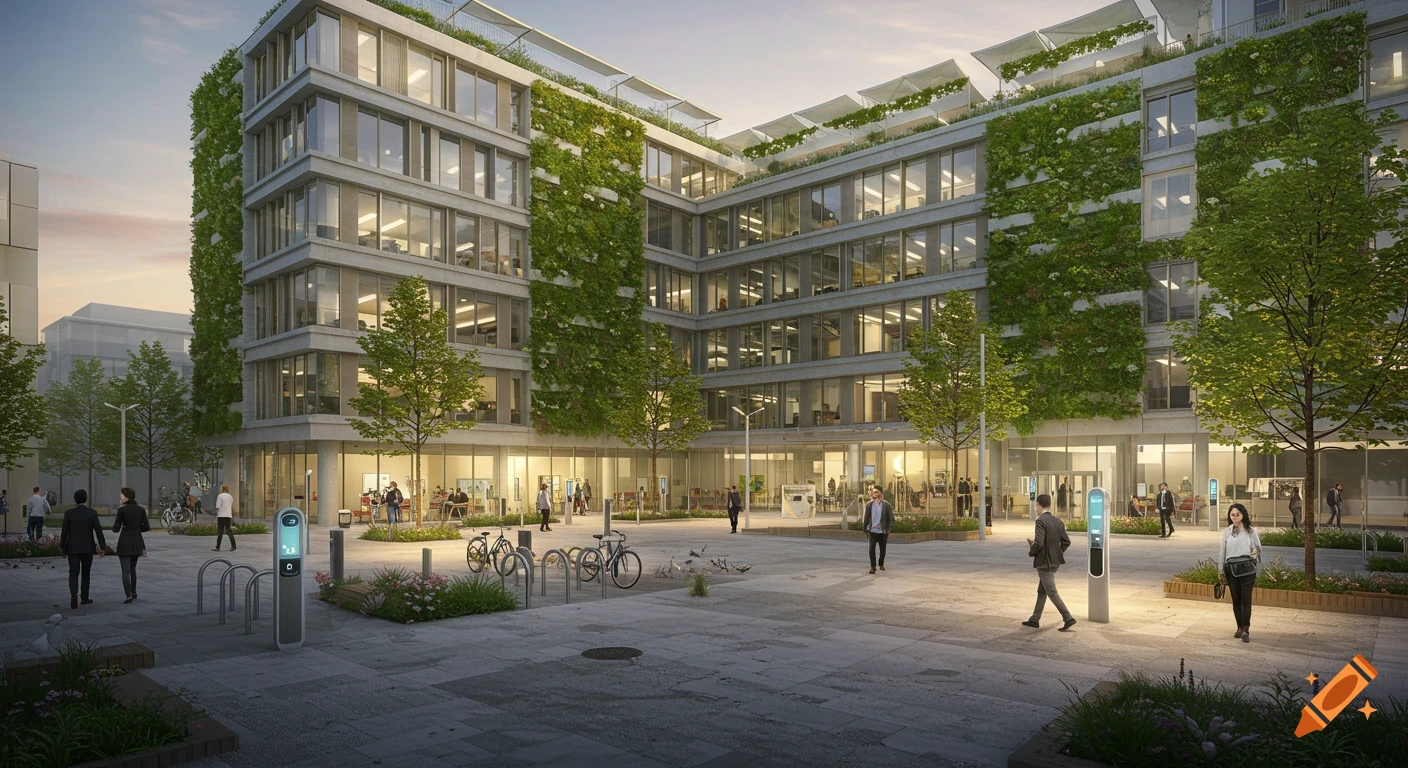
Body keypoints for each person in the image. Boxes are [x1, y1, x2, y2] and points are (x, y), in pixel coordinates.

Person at [1023, 493, 1075, 631]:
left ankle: (1068, 617)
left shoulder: (1040, 521)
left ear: (1039, 505)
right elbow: (1066, 542)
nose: (1036, 508)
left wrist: (1032, 550)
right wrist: (1057, 553)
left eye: (1036, 505)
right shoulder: (1058, 521)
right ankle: (1034, 619)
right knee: (1042, 590)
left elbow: (1039, 543)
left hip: (1044, 562)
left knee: (1051, 591)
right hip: (1054, 561)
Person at [1218, 503, 1262, 643]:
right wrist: (1220, 571)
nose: (1235, 517)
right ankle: (1239, 627)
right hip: (1231, 570)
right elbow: (1222, 552)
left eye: (1237, 514)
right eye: (1232, 514)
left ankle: (1246, 629)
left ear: (1243, 515)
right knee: (1236, 599)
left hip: (1247, 569)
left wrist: (1255, 557)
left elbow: (1258, 549)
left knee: (1246, 599)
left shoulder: (1250, 531)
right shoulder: (1226, 532)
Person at [59, 489, 106, 610]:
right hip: (87, 547)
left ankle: (73, 595)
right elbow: (98, 530)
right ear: (86, 499)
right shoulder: (92, 513)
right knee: (86, 573)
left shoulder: (69, 513)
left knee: (73, 572)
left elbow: (64, 532)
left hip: (72, 548)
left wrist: (63, 547)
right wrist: (102, 546)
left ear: (75, 499)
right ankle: (84, 598)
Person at [111, 487, 148, 603]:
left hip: (124, 542)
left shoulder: (121, 510)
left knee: (125, 571)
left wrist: (123, 526)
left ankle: (128, 595)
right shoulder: (141, 509)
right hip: (137, 541)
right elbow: (146, 527)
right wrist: (136, 528)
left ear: (125, 496)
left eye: (121, 495)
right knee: (133, 569)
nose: (120, 497)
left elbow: (116, 529)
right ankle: (134, 591)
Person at [862, 486, 893, 574]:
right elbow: (866, 518)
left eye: (876, 492)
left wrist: (889, 529)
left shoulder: (886, 505)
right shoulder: (869, 505)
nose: (874, 494)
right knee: (871, 548)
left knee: (882, 549)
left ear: (881, 493)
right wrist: (865, 528)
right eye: (873, 492)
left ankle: (881, 563)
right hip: (872, 530)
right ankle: (873, 566)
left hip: (883, 531)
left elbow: (890, 518)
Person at [213, 484, 236, 552]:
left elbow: (217, 506)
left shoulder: (220, 496)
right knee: (229, 530)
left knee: (220, 531)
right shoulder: (230, 496)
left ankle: (218, 547)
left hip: (221, 515)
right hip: (228, 515)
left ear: (222, 489)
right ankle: (233, 546)